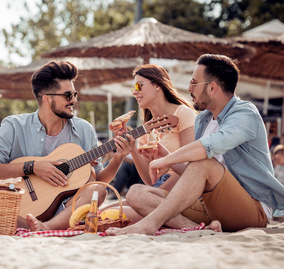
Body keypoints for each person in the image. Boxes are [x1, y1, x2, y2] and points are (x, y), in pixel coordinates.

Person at [107, 54, 284, 236]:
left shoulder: (245, 113)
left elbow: (210, 147)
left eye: (194, 82)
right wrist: (166, 157)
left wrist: (164, 161)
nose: (189, 88)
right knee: (136, 193)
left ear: (212, 87)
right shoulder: (203, 120)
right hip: (209, 206)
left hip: (252, 209)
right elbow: (192, 174)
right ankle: (196, 227)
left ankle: (150, 224)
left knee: (203, 161)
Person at [0, 60, 134, 231]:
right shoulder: (14, 126)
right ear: (47, 99)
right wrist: (32, 167)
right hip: (21, 206)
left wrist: (118, 157)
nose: (74, 100)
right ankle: (32, 224)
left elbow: (98, 181)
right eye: (68, 95)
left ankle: (46, 227)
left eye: (75, 94)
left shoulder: (84, 129)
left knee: (97, 190)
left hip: (66, 209)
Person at [104, 64, 197, 223]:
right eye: (132, 88)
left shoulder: (183, 114)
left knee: (108, 216)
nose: (134, 92)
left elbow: (192, 166)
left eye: (138, 85)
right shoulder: (145, 129)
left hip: (183, 190)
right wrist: (132, 147)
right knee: (99, 211)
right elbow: (150, 180)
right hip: (156, 193)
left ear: (157, 85)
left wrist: (157, 193)